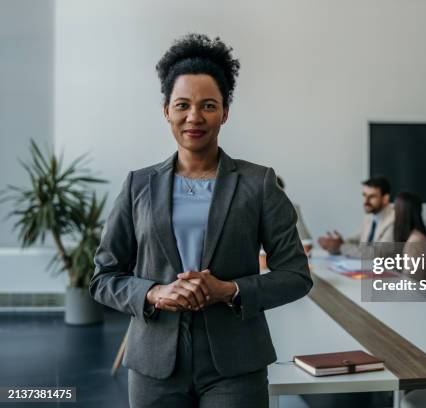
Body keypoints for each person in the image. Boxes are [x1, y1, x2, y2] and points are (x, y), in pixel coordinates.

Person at [89, 34, 312, 408]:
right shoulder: (137, 185)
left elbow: (296, 275)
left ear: (225, 112)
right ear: (166, 111)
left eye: (208, 105)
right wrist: (154, 293)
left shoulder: (259, 184)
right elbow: (103, 277)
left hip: (235, 365)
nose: (194, 117)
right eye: (183, 105)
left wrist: (228, 290)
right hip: (155, 366)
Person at [318, 176, 394, 258]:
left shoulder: (394, 218)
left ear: (385, 199)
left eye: (372, 196)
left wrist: (341, 247)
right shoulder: (370, 216)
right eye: (364, 195)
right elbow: (357, 239)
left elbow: (378, 254)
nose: (366, 201)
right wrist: (334, 244)